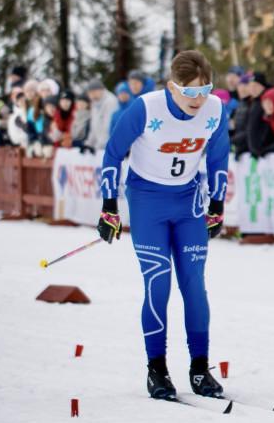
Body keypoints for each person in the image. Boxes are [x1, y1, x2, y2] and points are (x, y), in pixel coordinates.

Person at [96, 50, 229, 400]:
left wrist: (217, 204)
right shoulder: (146, 108)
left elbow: (218, 158)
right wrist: (109, 206)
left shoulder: (214, 109)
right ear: (172, 87)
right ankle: (157, 371)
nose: (198, 100)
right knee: (158, 284)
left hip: (187, 203)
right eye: (190, 92)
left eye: (205, 91)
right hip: (146, 202)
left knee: (194, 286)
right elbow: (113, 153)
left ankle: (200, 370)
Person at [85, 80, 117, 154]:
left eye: (93, 92)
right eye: (89, 93)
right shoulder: (95, 103)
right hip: (99, 146)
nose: (91, 95)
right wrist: (89, 144)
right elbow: (93, 126)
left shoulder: (110, 101)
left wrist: (99, 146)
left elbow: (108, 126)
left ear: (100, 90)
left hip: (108, 146)